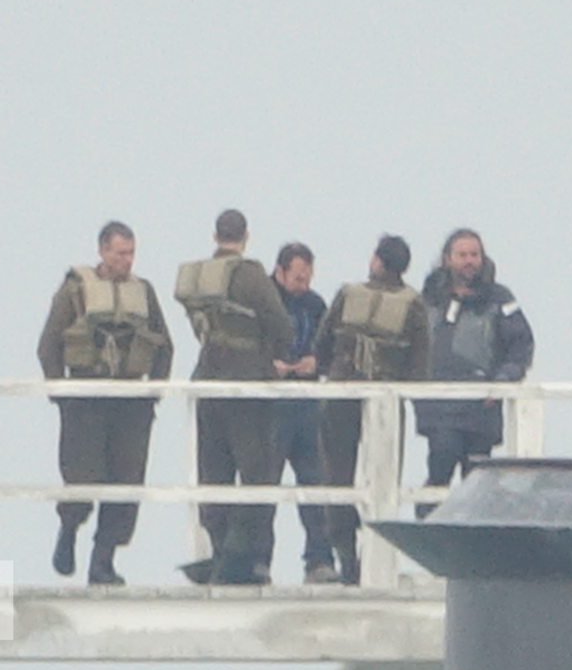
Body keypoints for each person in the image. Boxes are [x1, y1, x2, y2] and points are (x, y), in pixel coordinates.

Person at [37, 220, 173, 586]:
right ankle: (68, 531)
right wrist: (60, 394)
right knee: (82, 478)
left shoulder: (143, 292)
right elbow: (49, 344)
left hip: (131, 402)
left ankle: (103, 561)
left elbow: (165, 345)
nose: (127, 260)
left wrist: (153, 392)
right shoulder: (74, 290)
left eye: (131, 253)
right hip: (85, 400)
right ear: (102, 251)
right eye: (120, 253)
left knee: (126, 485)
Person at [174, 208, 293, 585]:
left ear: (215, 237)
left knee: (214, 471)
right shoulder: (250, 274)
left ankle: (219, 549)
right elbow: (282, 326)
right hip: (245, 383)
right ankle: (239, 556)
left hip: (208, 379)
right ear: (245, 236)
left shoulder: (199, 277)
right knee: (256, 472)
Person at [312, 234, 430, 583]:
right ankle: (376, 559)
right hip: (387, 400)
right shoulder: (415, 305)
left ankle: (346, 559)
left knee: (337, 478)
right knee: (385, 479)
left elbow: (321, 347)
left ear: (376, 261)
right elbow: (419, 370)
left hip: (341, 393)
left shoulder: (348, 295)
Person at [417, 229, 534, 503]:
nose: (469, 261)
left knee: (478, 483)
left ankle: (469, 542)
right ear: (447, 259)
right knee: (439, 468)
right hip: (438, 409)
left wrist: (503, 380)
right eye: (462, 255)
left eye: (474, 254)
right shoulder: (429, 298)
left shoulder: (499, 299)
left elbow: (521, 345)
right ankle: (428, 533)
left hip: (481, 410)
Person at [269, 242, 336, 583]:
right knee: (264, 486)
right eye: (297, 277)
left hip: (308, 405)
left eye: (307, 277)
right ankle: (258, 561)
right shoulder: (264, 302)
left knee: (314, 483)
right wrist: (270, 366)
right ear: (280, 272)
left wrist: (316, 362)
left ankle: (319, 560)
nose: (303, 284)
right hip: (272, 408)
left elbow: (330, 348)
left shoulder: (315, 305)